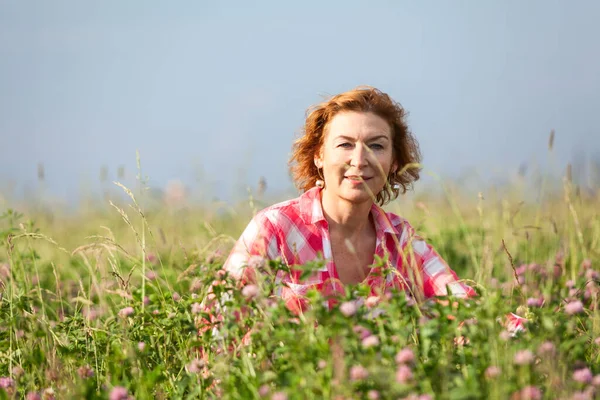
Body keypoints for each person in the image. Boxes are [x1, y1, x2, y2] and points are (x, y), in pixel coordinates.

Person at [222, 86, 479, 315]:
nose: (359, 160)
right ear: (319, 156)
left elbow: (464, 308)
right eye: (345, 144)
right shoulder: (275, 227)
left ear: (394, 162)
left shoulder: (400, 240)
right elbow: (217, 321)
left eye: (376, 146)